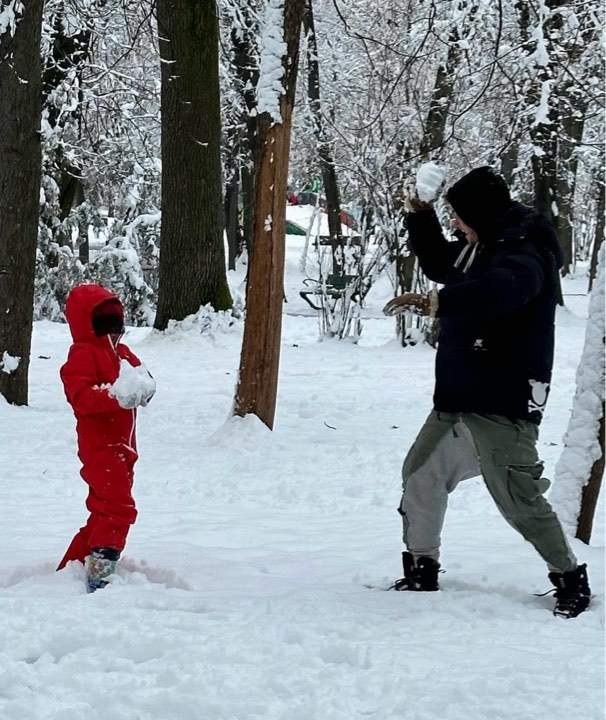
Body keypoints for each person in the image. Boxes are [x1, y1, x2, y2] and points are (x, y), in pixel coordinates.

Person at [383, 166, 591, 618]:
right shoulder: (483, 245)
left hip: (504, 397)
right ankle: (422, 568)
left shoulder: (524, 250)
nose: (456, 224)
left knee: (518, 498)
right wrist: (420, 214)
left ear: (482, 214)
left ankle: (570, 578)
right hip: (459, 392)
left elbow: (503, 290)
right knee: (420, 475)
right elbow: (441, 262)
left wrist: (439, 302)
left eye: (460, 217)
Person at [57, 284, 155, 592]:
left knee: (104, 508)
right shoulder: (82, 354)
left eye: (117, 325)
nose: (114, 333)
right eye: (106, 325)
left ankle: (74, 563)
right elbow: (81, 397)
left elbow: (140, 375)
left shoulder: (122, 353)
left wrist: (144, 387)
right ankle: (100, 573)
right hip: (100, 448)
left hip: (124, 447)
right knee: (118, 508)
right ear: (89, 325)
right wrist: (115, 396)